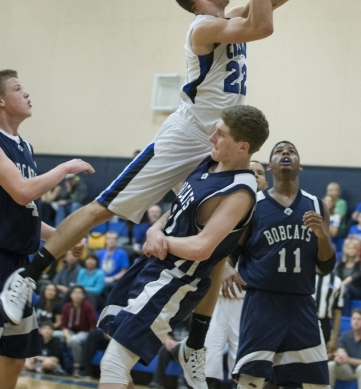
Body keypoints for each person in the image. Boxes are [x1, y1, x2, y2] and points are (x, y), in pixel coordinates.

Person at [0, 0, 293, 335]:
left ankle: (196, 343)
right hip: (187, 136)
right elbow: (264, 25)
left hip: (219, 144)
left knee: (222, 241)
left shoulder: (231, 18)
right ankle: (27, 277)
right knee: (104, 208)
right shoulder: (203, 27)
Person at [96, 105, 270, 389]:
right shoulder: (211, 163)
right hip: (152, 265)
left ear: (243, 146)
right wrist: (155, 228)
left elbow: (203, 247)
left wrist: (161, 240)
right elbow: (181, 208)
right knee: (117, 348)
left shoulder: (240, 191)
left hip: (174, 280)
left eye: (221, 134)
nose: (212, 137)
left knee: (114, 363)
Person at [0, 69, 93, 387]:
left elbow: (25, 212)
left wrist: (64, 235)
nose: (27, 93)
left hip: (19, 267)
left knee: (15, 359)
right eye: (18, 89)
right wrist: (65, 167)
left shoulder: (24, 147)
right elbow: (23, 190)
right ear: (0, 100)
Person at [222, 140, 335, 389]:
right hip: (262, 302)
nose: (285, 153)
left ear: (300, 166)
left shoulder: (317, 206)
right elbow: (232, 250)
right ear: (270, 167)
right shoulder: (253, 204)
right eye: (279, 151)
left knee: (315, 383)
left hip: (302, 302)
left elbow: (326, 267)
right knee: (250, 380)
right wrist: (228, 268)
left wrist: (323, 236)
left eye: (291, 151)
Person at [203, 160, 269, 389]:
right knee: (208, 357)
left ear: (266, 182)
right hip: (219, 293)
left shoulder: (268, 212)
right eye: (251, 171)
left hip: (249, 297)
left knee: (241, 362)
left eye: (260, 173)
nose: (255, 175)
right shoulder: (226, 202)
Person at [328, 309, 361, 389]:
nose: (356, 321)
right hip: (347, 370)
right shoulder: (344, 335)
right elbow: (341, 353)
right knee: (331, 365)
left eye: (359, 319)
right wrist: (338, 359)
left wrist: (347, 360)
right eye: (353, 319)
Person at [58, 285, 97, 377]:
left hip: (85, 332)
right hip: (71, 331)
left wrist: (90, 339)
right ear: (71, 294)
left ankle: (77, 366)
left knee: (75, 340)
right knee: (55, 334)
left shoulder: (88, 306)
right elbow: (63, 325)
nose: (77, 295)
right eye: (75, 292)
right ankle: (57, 364)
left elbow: (93, 325)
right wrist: (68, 337)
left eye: (80, 293)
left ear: (83, 296)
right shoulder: (66, 306)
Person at [315, 270, 344, 360]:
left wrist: (334, 338)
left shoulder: (337, 281)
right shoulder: (304, 276)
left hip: (324, 324)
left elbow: (337, 312)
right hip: (303, 321)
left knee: (321, 359)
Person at [96, 230, 130, 297]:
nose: (111, 241)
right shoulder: (100, 253)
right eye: (109, 239)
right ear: (105, 240)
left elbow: (124, 271)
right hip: (100, 280)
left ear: (116, 240)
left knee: (107, 286)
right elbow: (96, 270)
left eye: (114, 239)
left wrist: (112, 279)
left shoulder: (122, 253)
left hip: (115, 281)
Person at [336, 238, 361, 316]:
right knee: (346, 294)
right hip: (344, 290)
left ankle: (344, 316)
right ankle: (345, 317)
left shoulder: (359, 265)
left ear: (357, 251)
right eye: (349, 248)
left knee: (346, 287)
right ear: (346, 250)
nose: (351, 250)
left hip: (356, 291)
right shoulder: (341, 264)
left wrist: (341, 286)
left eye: (354, 248)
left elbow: (352, 278)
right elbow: (337, 277)